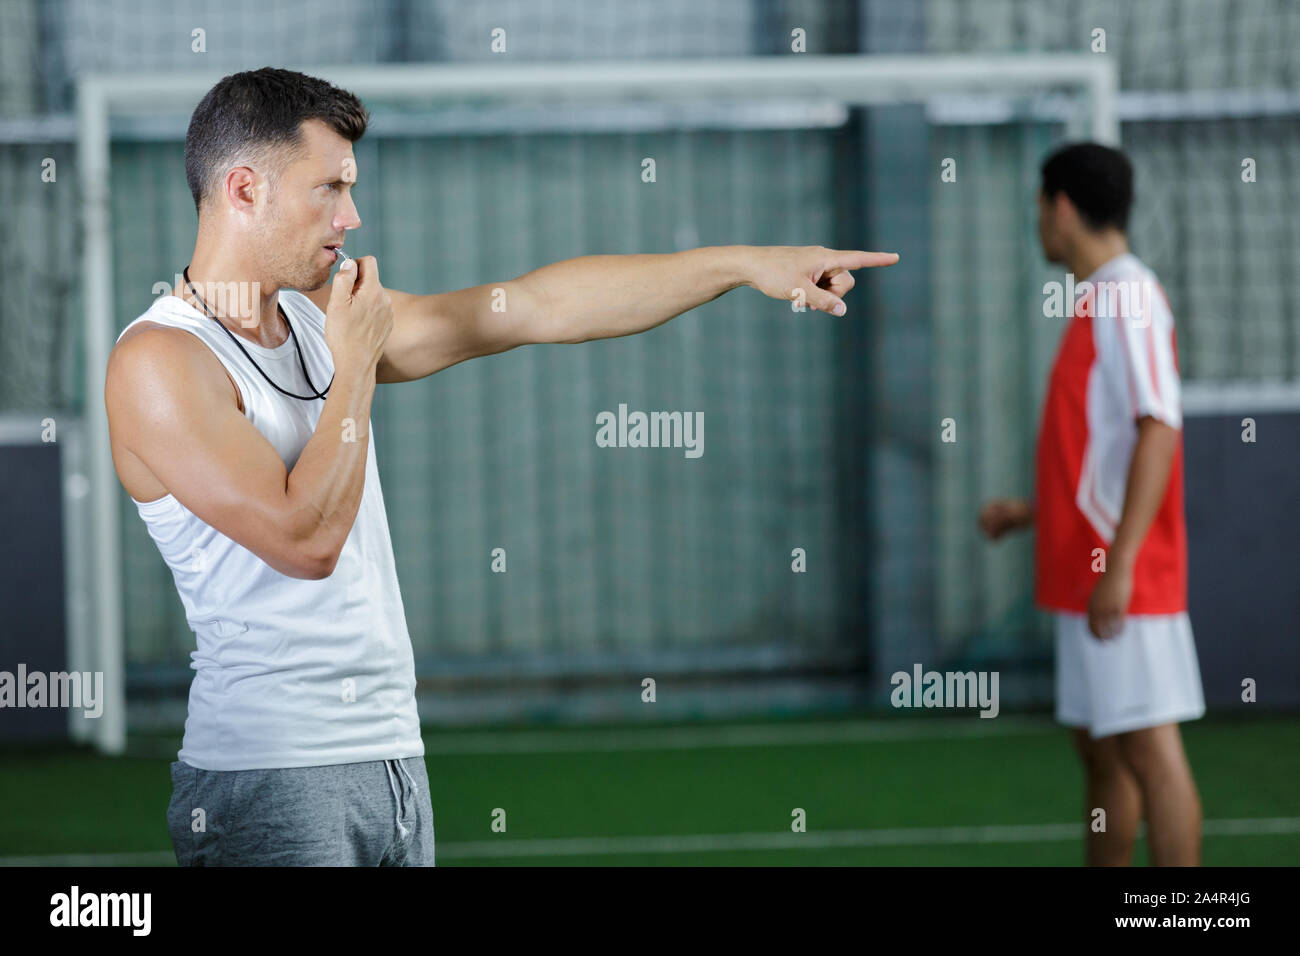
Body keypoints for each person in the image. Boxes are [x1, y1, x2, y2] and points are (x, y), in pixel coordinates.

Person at [104, 66, 898, 866]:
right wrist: (354, 370)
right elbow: (304, 540)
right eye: (329, 188)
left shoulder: (317, 321)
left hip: (390, 760)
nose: (351, 215)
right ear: (245, 189)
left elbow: (536, 307)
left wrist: (746, 265)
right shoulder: (162, 360)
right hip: (269, 778)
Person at [978, 142, 1204, 866]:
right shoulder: (1100, 300)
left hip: (1121, 584)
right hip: (1088, 577)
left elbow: (1160, 427)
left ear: (1062, 209)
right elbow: (1103, 462)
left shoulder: (1128, 296)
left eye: (1039, 208)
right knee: (1106, 757)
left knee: (1150, 753)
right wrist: (1032, 513)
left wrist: (1124, 565)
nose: (1037, 223)